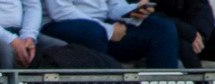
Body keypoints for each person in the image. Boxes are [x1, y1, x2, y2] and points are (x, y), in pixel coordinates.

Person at [41, 0, 180, 68]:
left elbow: (114, 6)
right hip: (57, 25)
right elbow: (60, 11)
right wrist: (109, 30)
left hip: (101, 27)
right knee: (93, 33)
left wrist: (133, 11)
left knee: (162, 28)